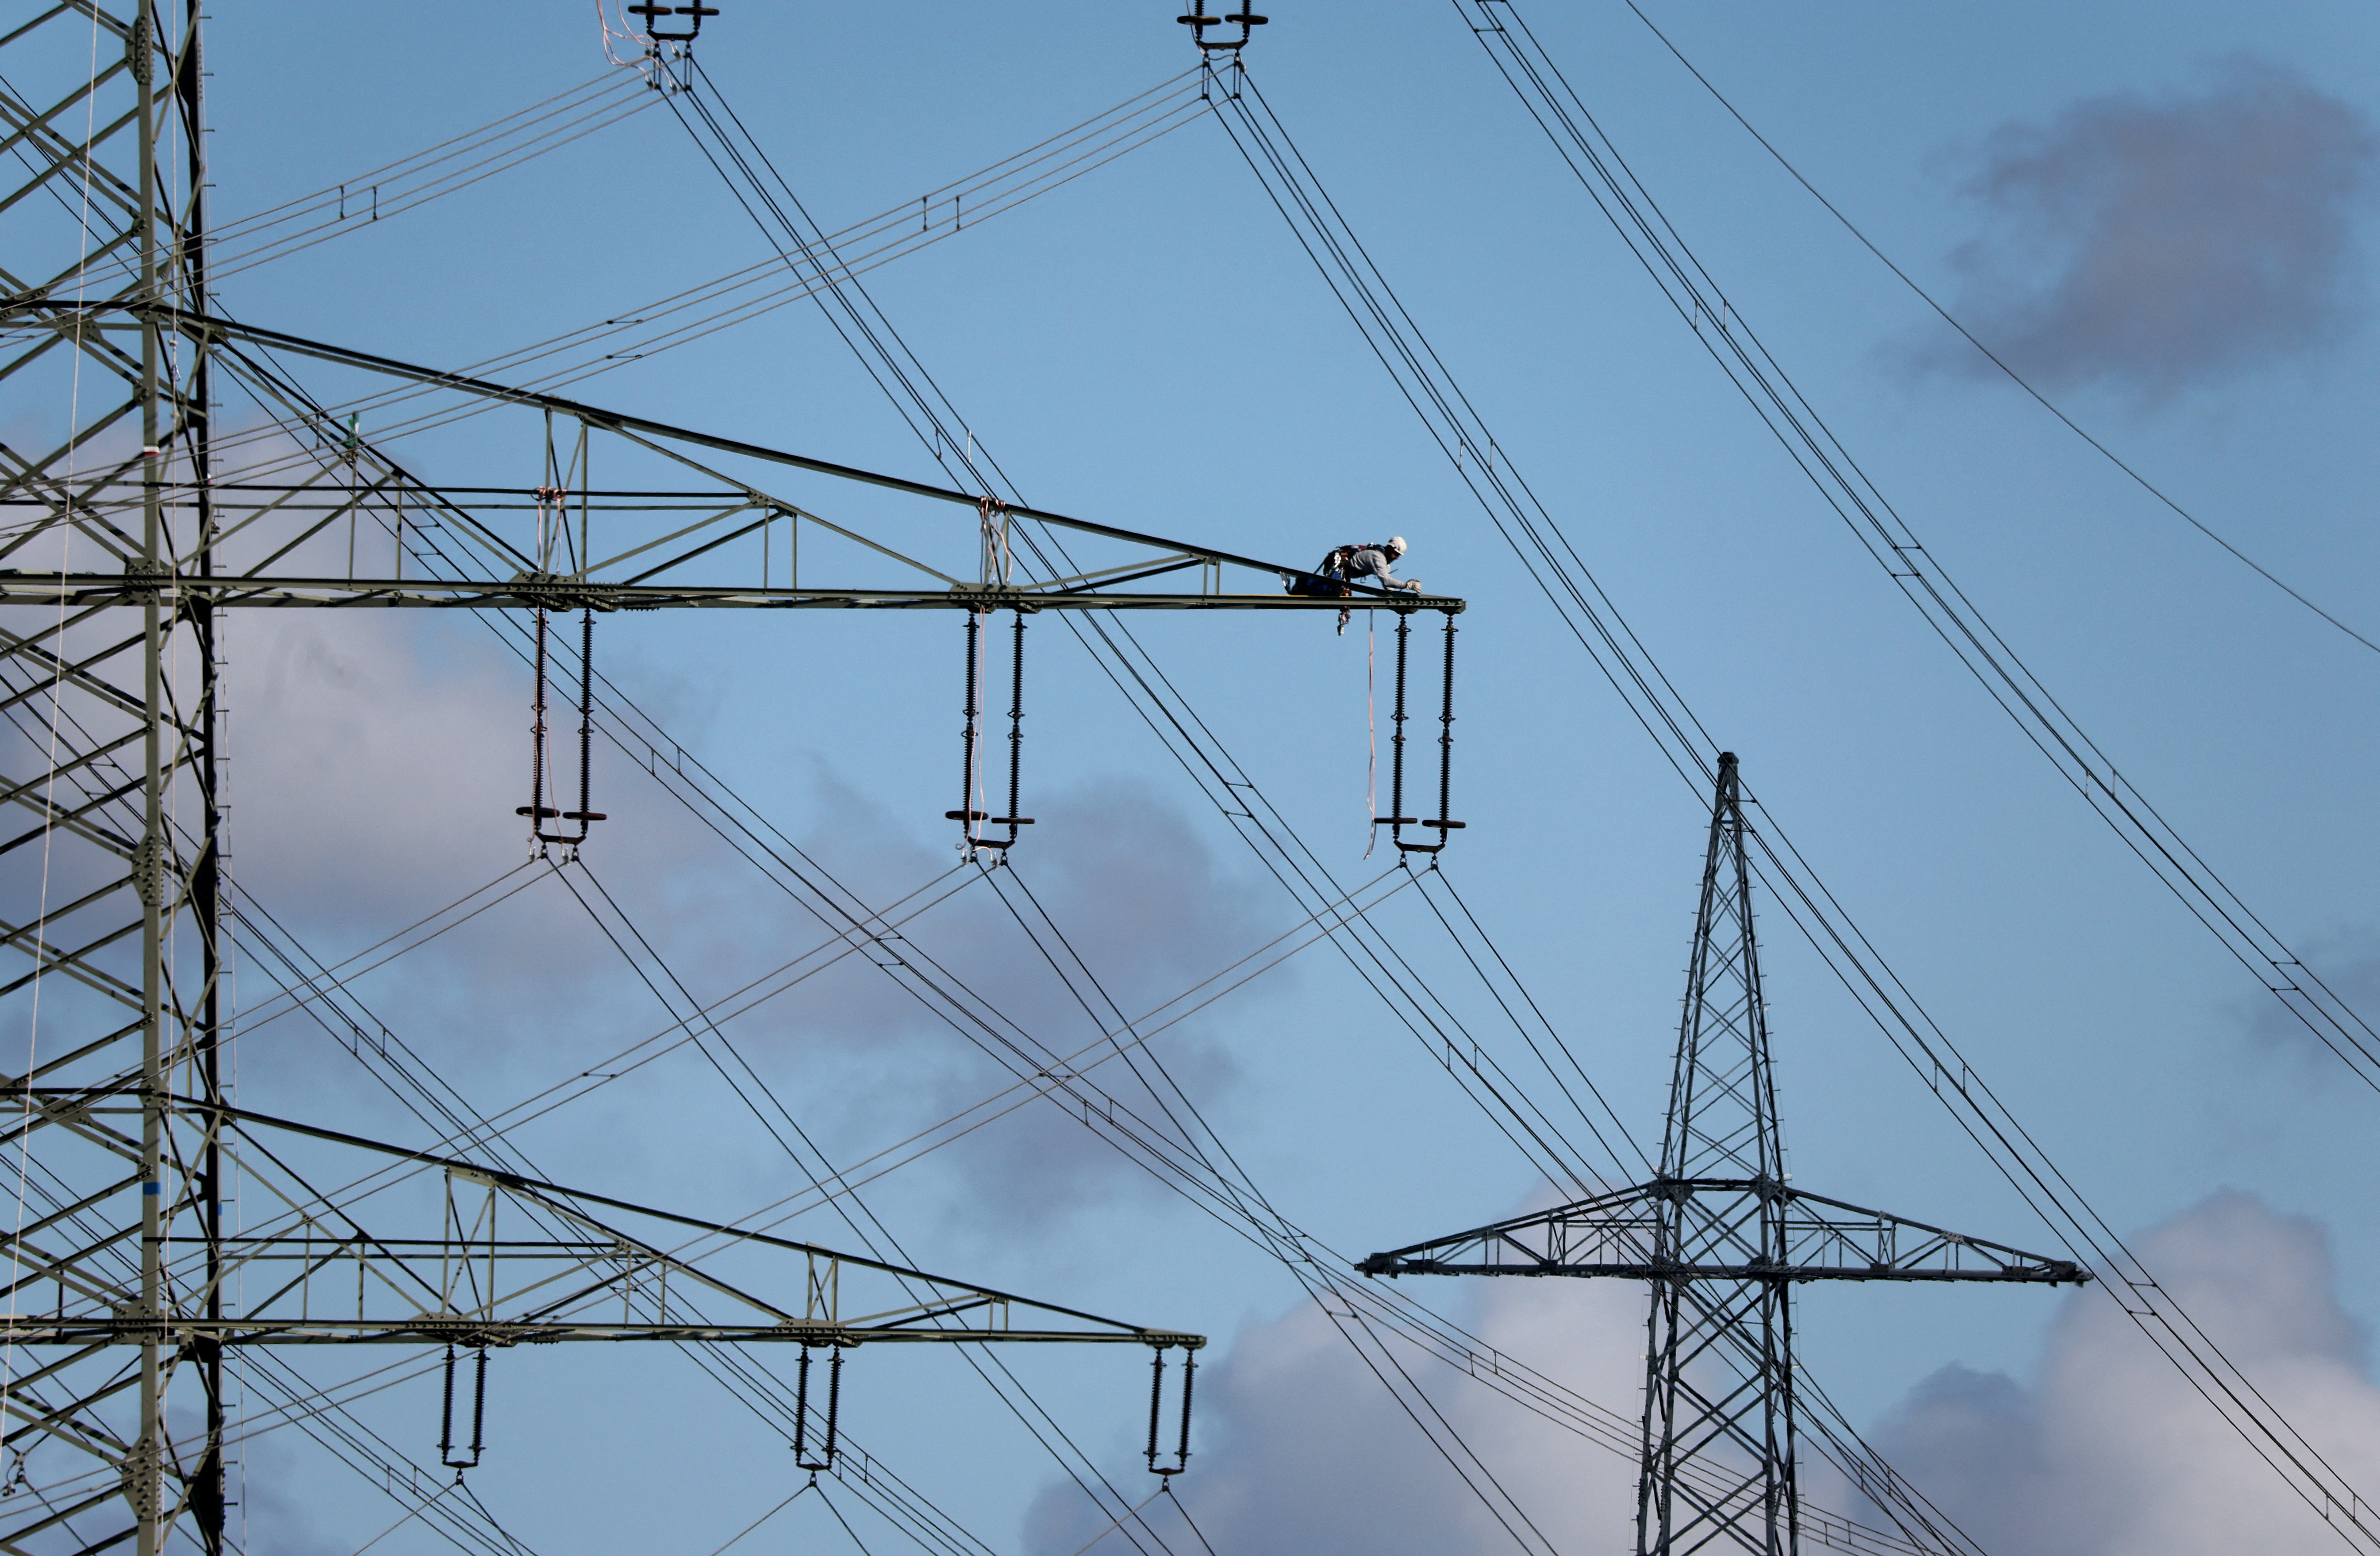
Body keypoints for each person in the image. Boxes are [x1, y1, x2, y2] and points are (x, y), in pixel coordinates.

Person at [1337, 536, 1418, 633]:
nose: (1397, 558)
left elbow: (1389, 589)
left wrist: (1397, 603)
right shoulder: (1378, 557)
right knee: (1334, 595)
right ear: (1390, 549)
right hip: (1338, 569)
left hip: (1347, 573)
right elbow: (1387, 581)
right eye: (1396, 554)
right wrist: (1407, 586)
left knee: (1343, 597)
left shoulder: (1385, 563)